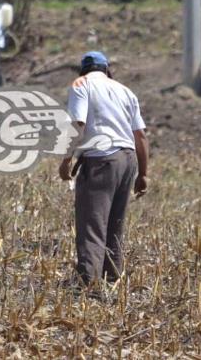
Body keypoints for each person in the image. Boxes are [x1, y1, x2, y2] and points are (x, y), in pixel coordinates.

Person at [58, 51, 149, 286]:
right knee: (115, 223)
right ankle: (112, 279)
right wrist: (143, 173)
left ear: (84, 70)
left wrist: (66, 159)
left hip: (102, 159)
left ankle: (89, 284)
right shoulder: (125, 91)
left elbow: (78, 124)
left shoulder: (81, 85)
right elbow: (140, 136)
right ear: (107, 70)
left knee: (92, 224)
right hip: (128, 160)